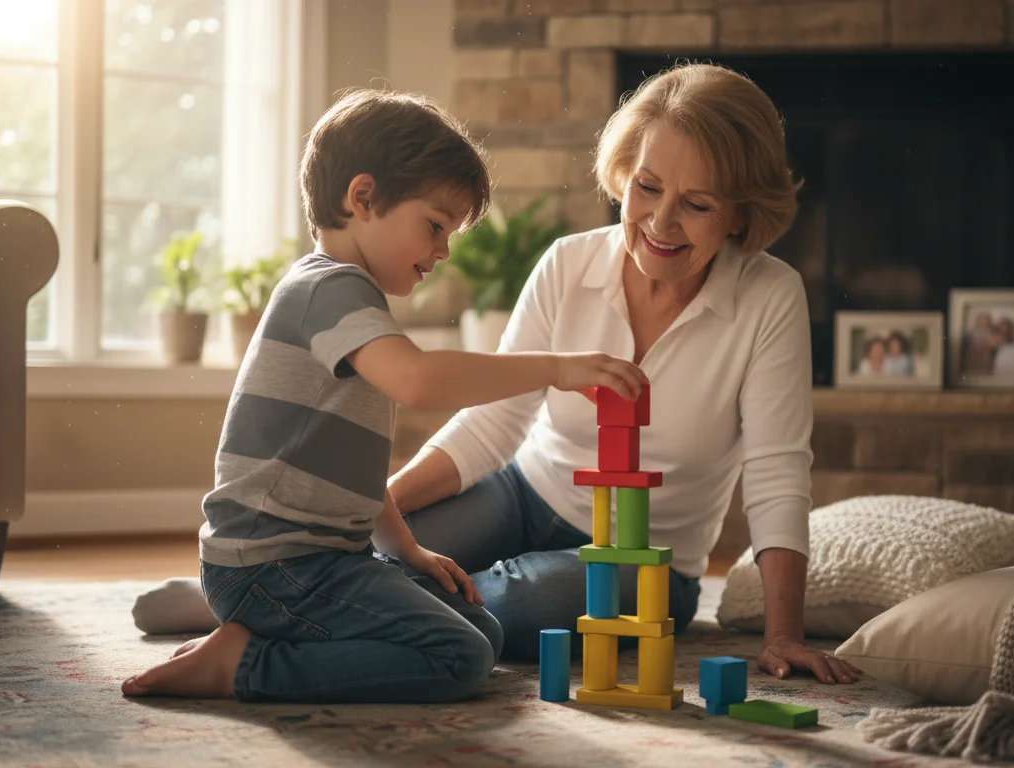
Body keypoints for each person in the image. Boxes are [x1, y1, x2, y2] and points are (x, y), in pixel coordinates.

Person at [133, 63, 861, 686]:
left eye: (697, 204)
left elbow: (775, 469)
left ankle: (286, 610)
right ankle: (275, 591)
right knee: (393, 540)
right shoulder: (570, 264)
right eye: (647, 188)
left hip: (643, 559)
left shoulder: (769, 298)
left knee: (500, 611)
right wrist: (381, 508)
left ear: (739, 214)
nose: (661, 221)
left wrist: (783, 632)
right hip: (522, 489)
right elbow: (493, 424)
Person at [119, 89, 646, 704]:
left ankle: (244, 628)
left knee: (481, 625)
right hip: (274, 566)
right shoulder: (330, 291)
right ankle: (243, 664)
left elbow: (357, 475)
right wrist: (553, 366)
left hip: (314, 562)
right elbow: (421, 380)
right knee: (463, 657)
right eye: (435, 226)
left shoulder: (353, 305)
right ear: (362, 198)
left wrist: (408, 551)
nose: (444, 252)